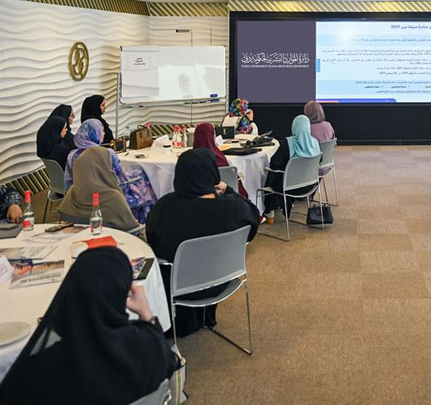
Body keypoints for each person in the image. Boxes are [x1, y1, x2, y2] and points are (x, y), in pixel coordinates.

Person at [0, 247, 178, 404]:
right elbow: (170, 363)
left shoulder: (37, 369)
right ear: (123, 291)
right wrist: (146, 314)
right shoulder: (145, 350)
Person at [146, 148, 259, 337]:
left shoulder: (165, 207)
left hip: (177, 287)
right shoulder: (233, 207)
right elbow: (254, 219)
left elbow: (153, 240)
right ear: (212, 173)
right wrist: (228, 190)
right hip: (222, 280)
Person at [65, 119, 157, 223]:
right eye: (101, 131)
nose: (104, 134)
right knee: (144, 181)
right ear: (95, 134)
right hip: (107, 197)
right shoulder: (107, 154)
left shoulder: (72, 155)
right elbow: (119, 177)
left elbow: (68, 181)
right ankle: (142, 222)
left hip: (79, 199)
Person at [59, 146, 141, 231]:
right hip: (114, 237)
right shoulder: (113, 198)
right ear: (103, 168)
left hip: (82, 236)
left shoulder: (71, 194)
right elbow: (132, 227)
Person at [262, 115, 321, 221]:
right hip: (310, 186)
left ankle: (269, 210)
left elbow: (274, 163)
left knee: (273, 174)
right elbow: (320, 160)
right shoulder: (315, 142)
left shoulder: (288, 144)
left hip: (290, 187)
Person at [192, 122, 248, 197]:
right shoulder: (220, 158)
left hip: (195, 199)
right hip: (225, 197)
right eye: (214, 133)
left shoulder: (189, 159)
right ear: (211, 136)